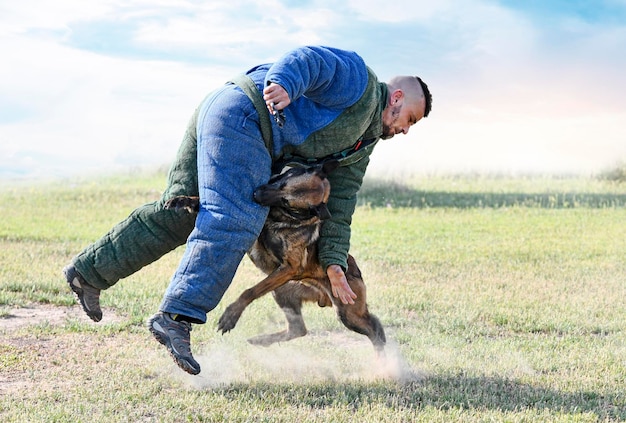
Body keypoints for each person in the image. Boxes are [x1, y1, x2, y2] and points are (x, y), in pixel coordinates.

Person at [63, 45, 432, 375]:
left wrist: (334, 262)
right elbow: (310, 60)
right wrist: (286, 83)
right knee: (236, 220)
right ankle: (175, 317)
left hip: (222, 107)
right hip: (246, 116)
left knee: (180, 212)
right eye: (410, 119)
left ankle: (87, 274)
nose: (405, 130)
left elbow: (341, 202)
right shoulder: (360, 81)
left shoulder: (361, 144)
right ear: (396, 98)